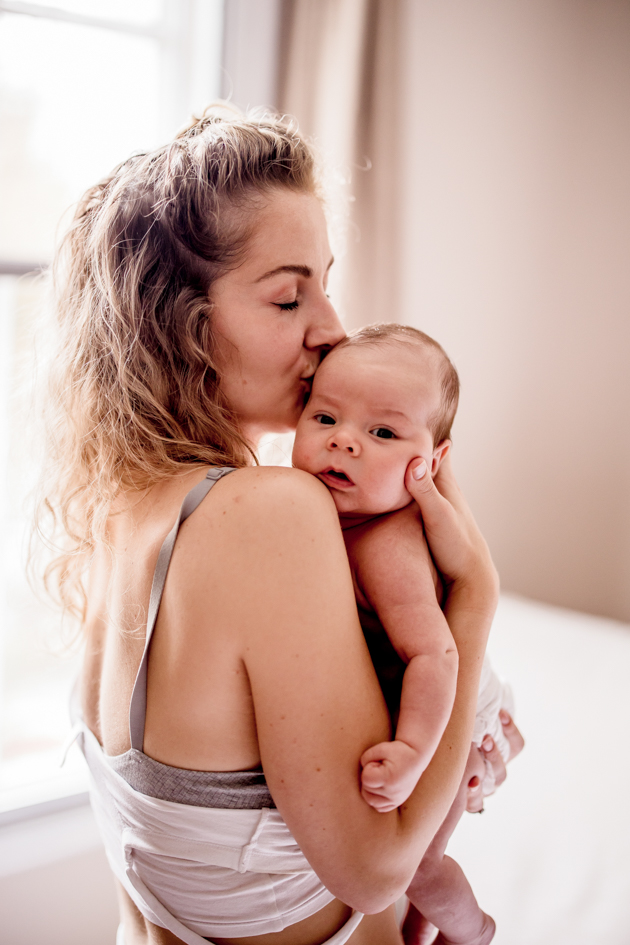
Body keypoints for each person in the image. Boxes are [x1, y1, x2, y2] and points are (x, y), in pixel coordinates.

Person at [38, 106, 515, 945]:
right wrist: (475, 597)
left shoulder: (124, 508)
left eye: (326, 285)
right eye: (290, 296)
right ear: (179, 324)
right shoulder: (269, 511)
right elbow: (377, 868)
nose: (332, 328)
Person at [292, 324, 525, 945]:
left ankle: (474, 931)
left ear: (430, 463)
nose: (344, 440)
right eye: (325, 418)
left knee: (418, 864)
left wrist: (415, 753)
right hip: (430, 695)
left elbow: (436, 653)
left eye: (383, 433)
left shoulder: (386, 544)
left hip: (454, 712)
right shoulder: (315, 512)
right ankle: (424, 926)